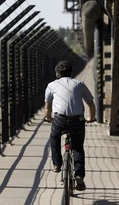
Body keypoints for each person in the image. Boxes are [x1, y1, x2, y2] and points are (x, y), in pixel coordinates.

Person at [44, 60, 96, 191]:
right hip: (77, 120)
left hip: (60, 120)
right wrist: (91, 118)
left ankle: (57, 164)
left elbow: (47, 107)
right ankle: (79, 175)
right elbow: (91, 104)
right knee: (78, 147)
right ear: (71, 72)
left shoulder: (51, 85)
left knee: (54, 138)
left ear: (57, 73)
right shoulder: (79, 84)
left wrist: (48, 117)